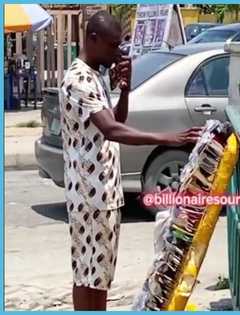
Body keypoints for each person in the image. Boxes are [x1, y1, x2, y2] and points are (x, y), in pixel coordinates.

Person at [60, 11, 200, 310]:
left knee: (95, 276)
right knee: (91, 278)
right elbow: (112, 130)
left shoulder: (94, 74)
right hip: (91, 197)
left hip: (102, 193)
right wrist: (170, 138)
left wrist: (123, 88)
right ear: (93, 39)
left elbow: (117, 119)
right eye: (113, 46)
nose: (117, 54)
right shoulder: (78, 79)